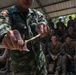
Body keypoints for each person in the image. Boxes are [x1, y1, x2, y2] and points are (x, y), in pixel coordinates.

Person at [0, 0, 49, 75]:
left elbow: (44, 22)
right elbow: (2, 25)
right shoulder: (7, 13)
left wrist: (44, 26)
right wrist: (4, 35)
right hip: (21, 67)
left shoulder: (36, 14)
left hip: (40, 64)